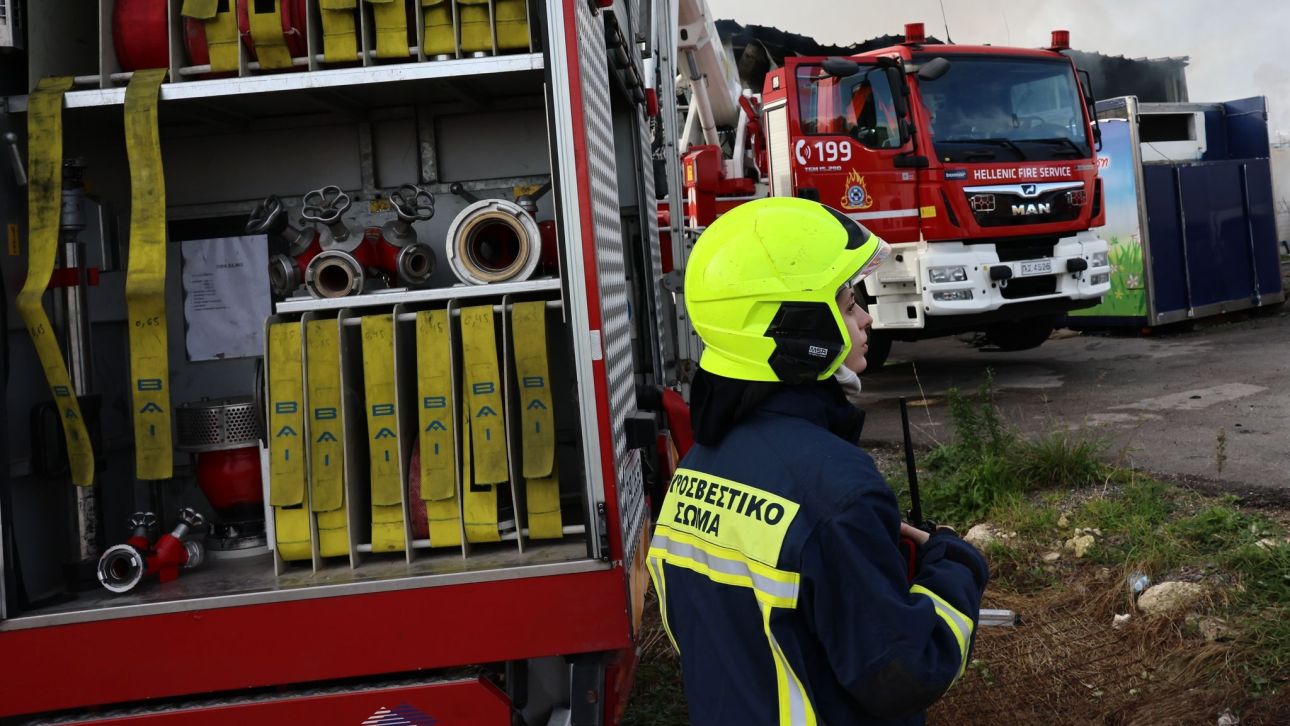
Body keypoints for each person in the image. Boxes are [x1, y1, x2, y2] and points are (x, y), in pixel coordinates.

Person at [648, 197, 989, 725]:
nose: (867, 318)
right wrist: (955, 564)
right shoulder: (837, 492)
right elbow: (903, 673)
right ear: (799, 325)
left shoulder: (698, 466)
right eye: (849, 304)